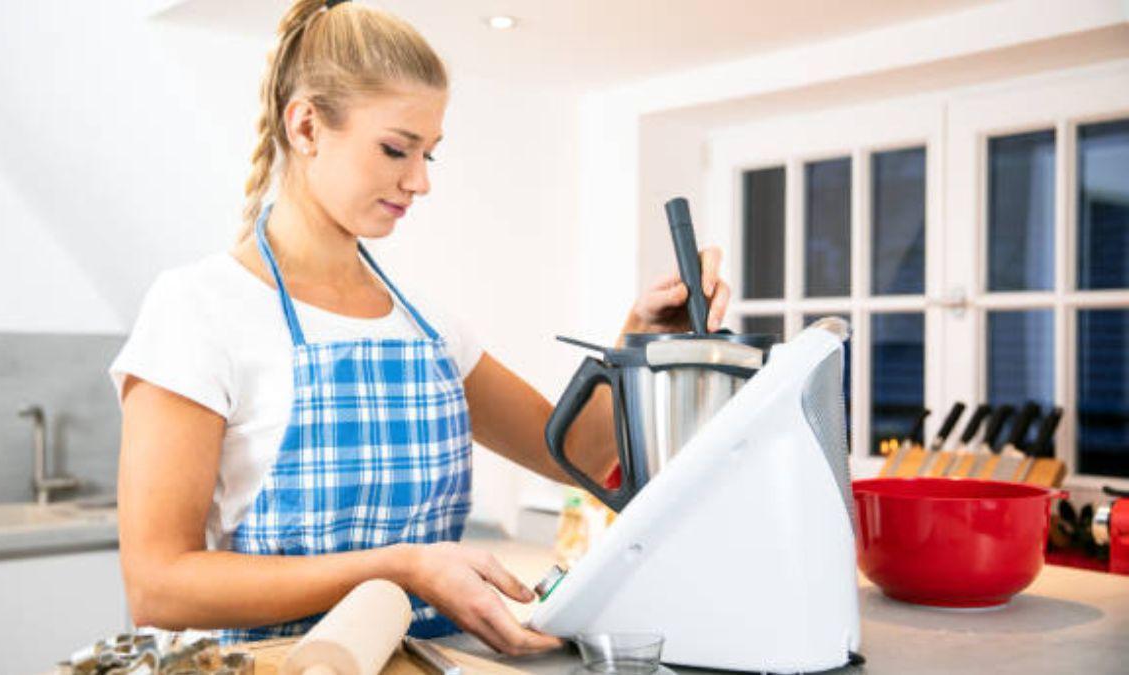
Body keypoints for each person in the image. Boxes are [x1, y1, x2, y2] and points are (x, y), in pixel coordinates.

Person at [110, 0, 730, 656]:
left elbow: (578, 451)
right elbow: (158, 583)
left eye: (429, 153)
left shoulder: (425, 327)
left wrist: (640, 337)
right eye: (396, 149)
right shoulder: (199, 310)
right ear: (306, 126)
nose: (421, 181)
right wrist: (401, 567)